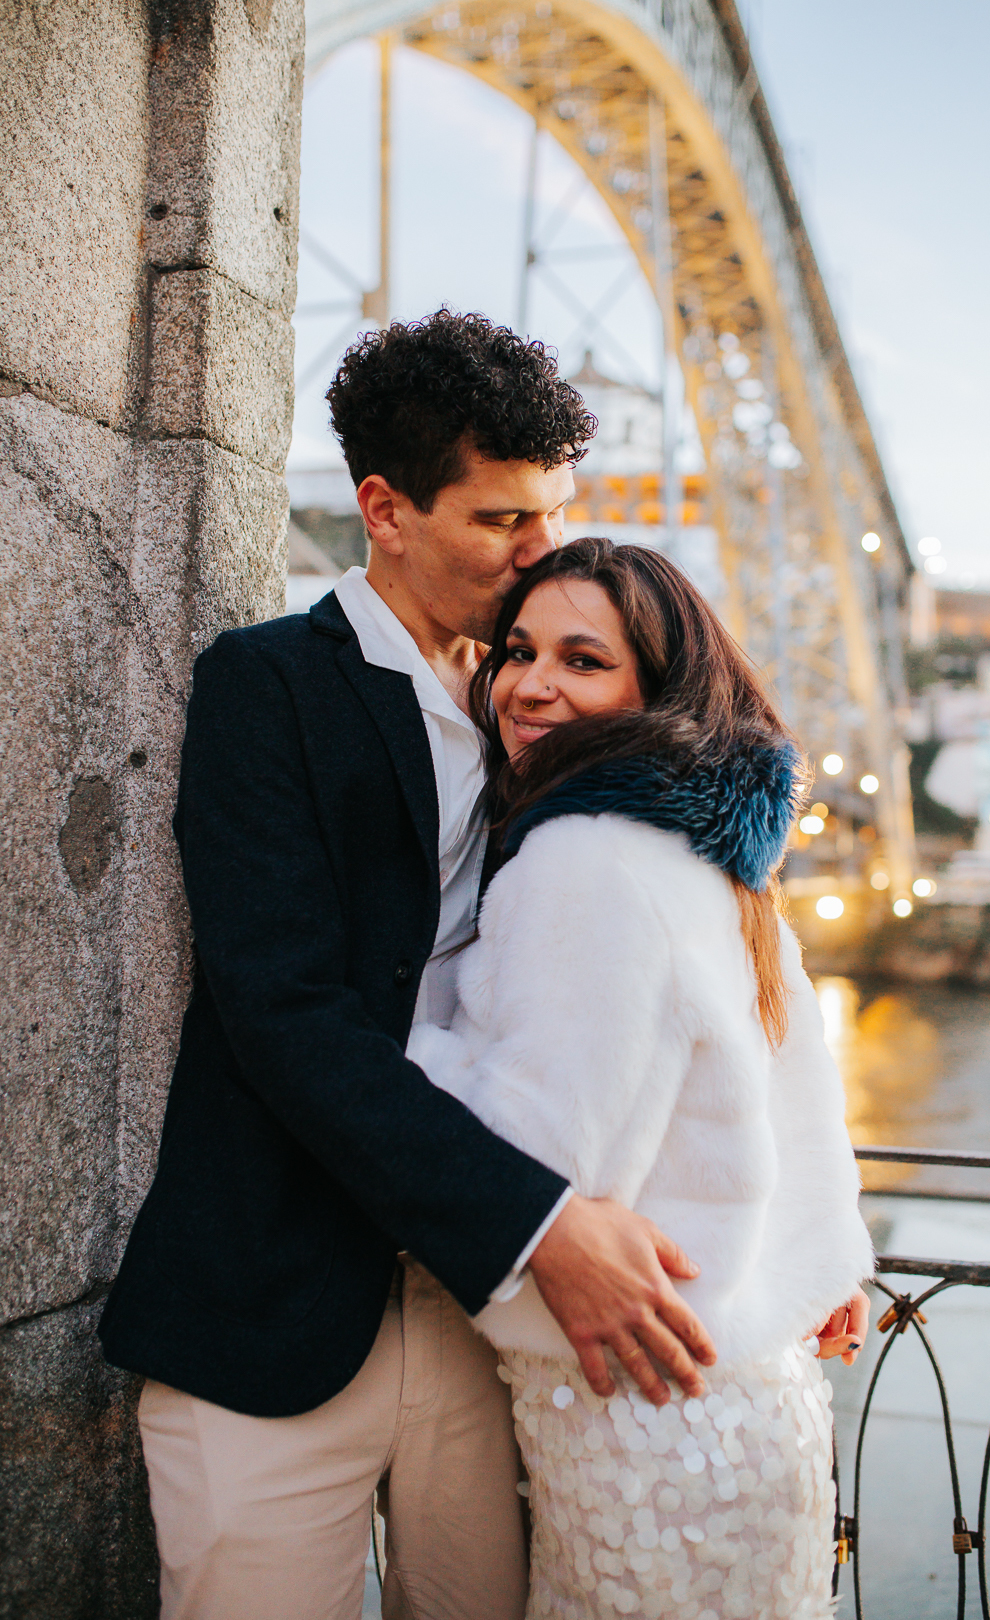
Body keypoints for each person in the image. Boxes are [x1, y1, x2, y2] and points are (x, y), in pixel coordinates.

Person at [98, 313, 717, 1620]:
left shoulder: (541, 700)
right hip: (276, 1306)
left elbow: (686, 961)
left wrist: (787, 1244)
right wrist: (539, 1225)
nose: (543, 551)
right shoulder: (265, 687)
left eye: (553, 512)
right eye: (501, 520)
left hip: (475, 1325)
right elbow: (288, 1016)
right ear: (384, 509)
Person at [407, 536, 874, 1620]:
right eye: (517, 651)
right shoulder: (719, 863)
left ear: (651, 693)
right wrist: (822, 1263)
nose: (529, 684)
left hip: (641, 1418)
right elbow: (802, 1103)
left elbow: (537, 1157)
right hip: (755, 1405)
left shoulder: (582, 857)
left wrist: (400, 1036)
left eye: (582, 660)